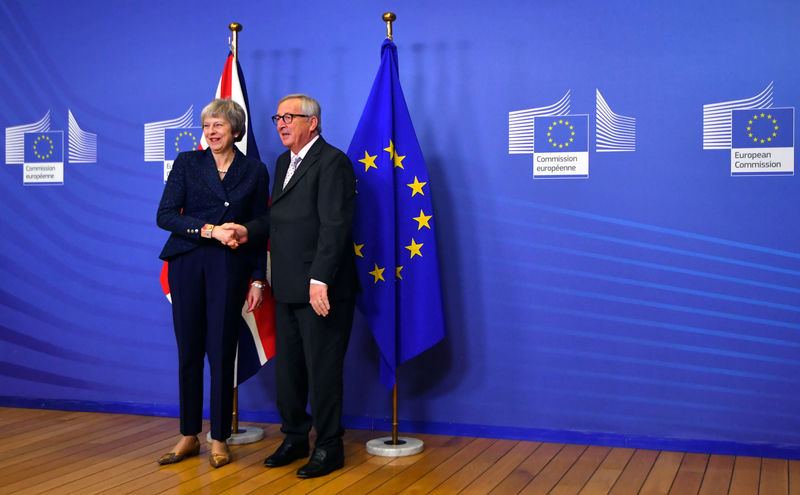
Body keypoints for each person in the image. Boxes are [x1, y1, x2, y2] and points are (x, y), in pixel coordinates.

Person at [219, 94, 359, 478]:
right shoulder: (283, 162)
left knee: (323, 371)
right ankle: (296, 437)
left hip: (321, 291)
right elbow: (277, 222)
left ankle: (329, 446)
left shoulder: (333, 162)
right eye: (277, 117)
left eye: (289, 117)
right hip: (286, 287)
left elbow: (335, 227)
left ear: (312, 123)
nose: (281, 123)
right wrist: (247, 230)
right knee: (290, 374)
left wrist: (320, 281)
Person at [156, 98, 269, 468]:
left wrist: (257, 279)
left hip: (230, 266)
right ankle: (188, 435)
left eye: (219, 125)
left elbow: (260, 227)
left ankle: (219, 437)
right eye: (207, 126)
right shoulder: (188, 163)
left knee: (222, 352)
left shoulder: (254, 169)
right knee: (188, 350)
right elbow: (166, 215)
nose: (211, 132)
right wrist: (208, 230)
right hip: (187, 262)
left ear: (235, 130)